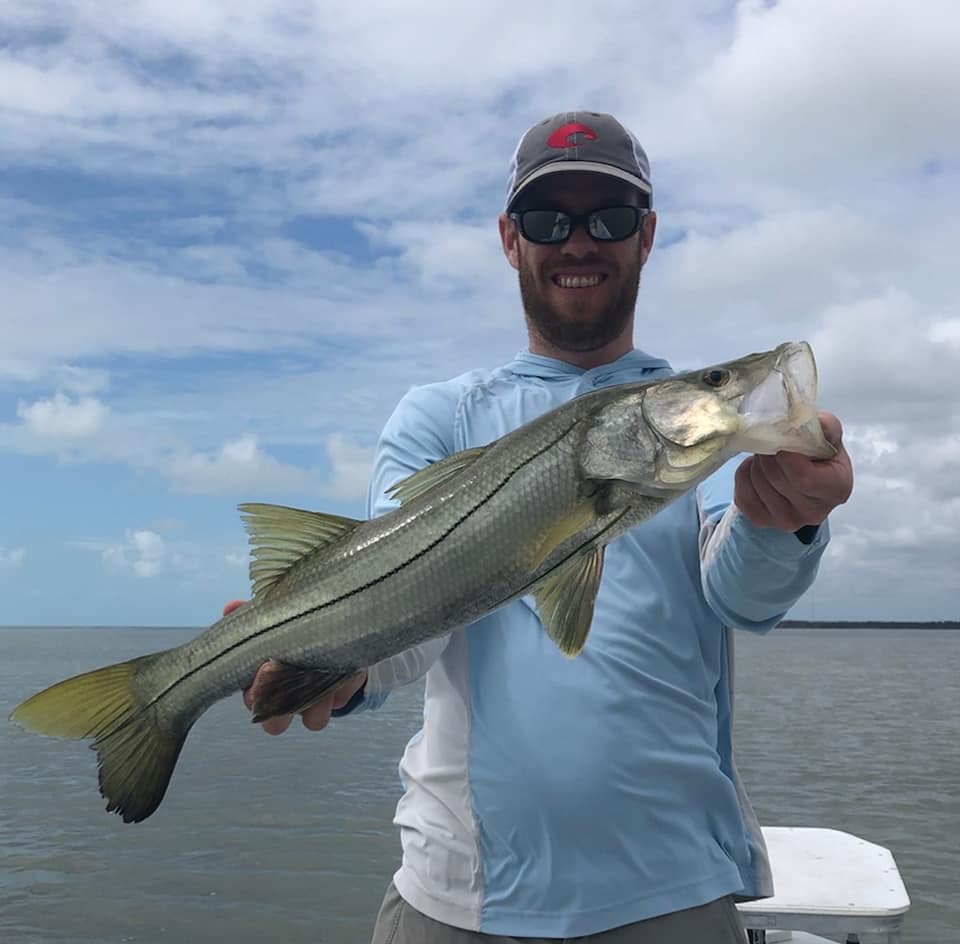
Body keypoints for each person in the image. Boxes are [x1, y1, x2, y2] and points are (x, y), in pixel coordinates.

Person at [230, 111, 853, 943]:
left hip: (676, 890)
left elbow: (740, 594)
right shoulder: (440, 415)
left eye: (612, 218)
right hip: (458, 895)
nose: (579, 243)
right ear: (509, 238)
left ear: (647, 236)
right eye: (548, 219)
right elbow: (408, 616)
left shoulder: (700, 451)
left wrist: (783, 520)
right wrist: (340, 665)